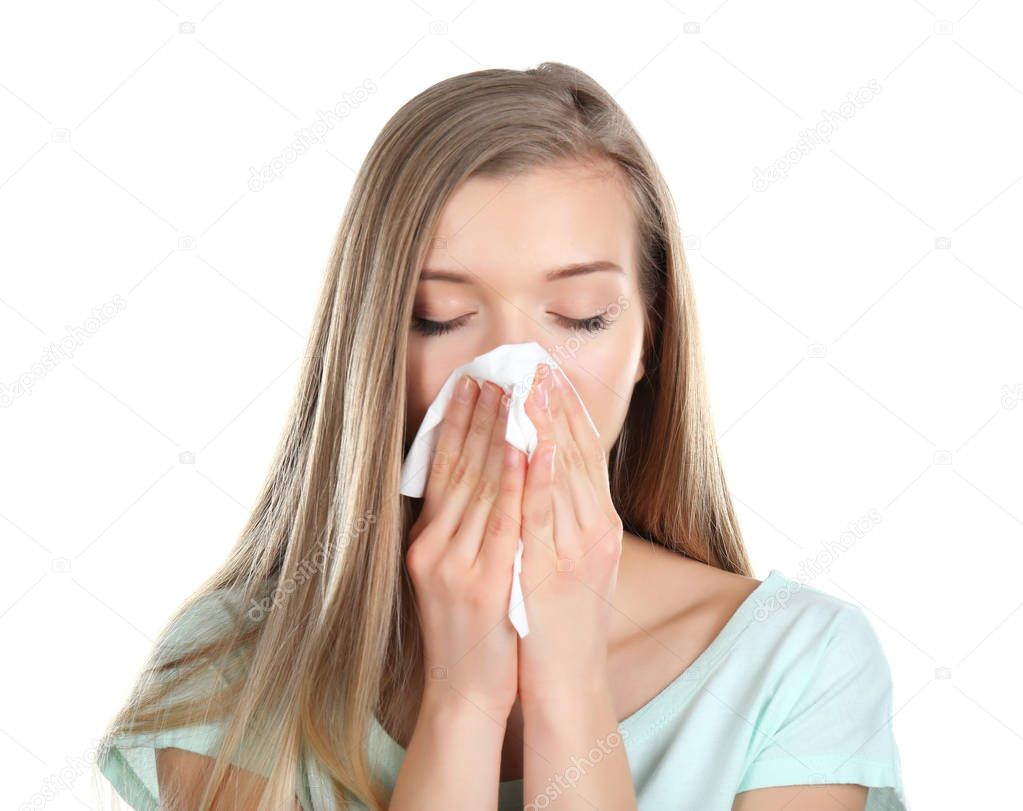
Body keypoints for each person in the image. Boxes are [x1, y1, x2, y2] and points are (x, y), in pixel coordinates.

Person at [96, 61, 909, 811]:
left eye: (580, 315)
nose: (510, 378)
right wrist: (464, 697)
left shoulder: (800, 664)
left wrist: (567, 678)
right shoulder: (235, 669)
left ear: (649, 340)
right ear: (373, 341)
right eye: (440, 317)